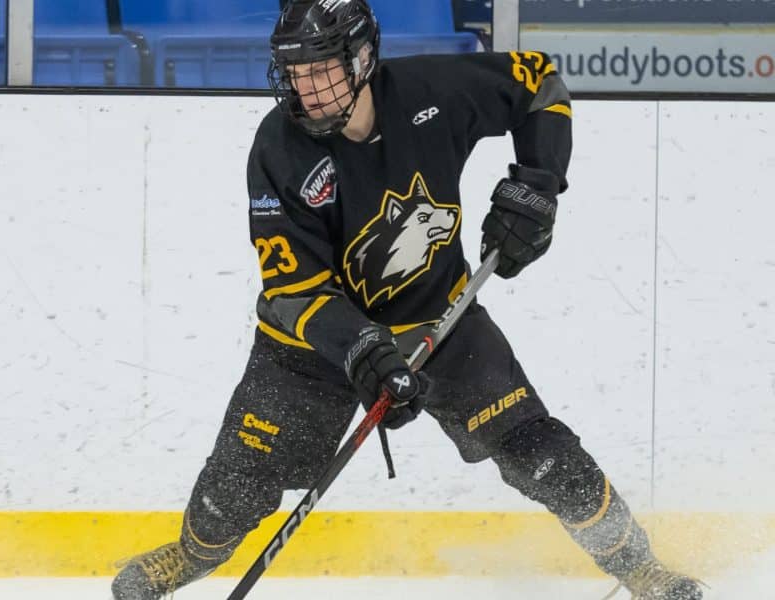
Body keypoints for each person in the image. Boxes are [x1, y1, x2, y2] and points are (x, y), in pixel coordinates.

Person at [112, 1, 703, 599]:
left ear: (362, 59)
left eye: (320, 70)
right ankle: (190, 555)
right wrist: (364, 351)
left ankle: (640, 567)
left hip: (438, 320)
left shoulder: (432, 92)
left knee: (540, 452)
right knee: (232, 492)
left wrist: (538, 187)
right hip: (314, 345)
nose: (305, 89)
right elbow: (293, 290)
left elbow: (539, 83)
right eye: (294, 72)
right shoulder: (279, 148)